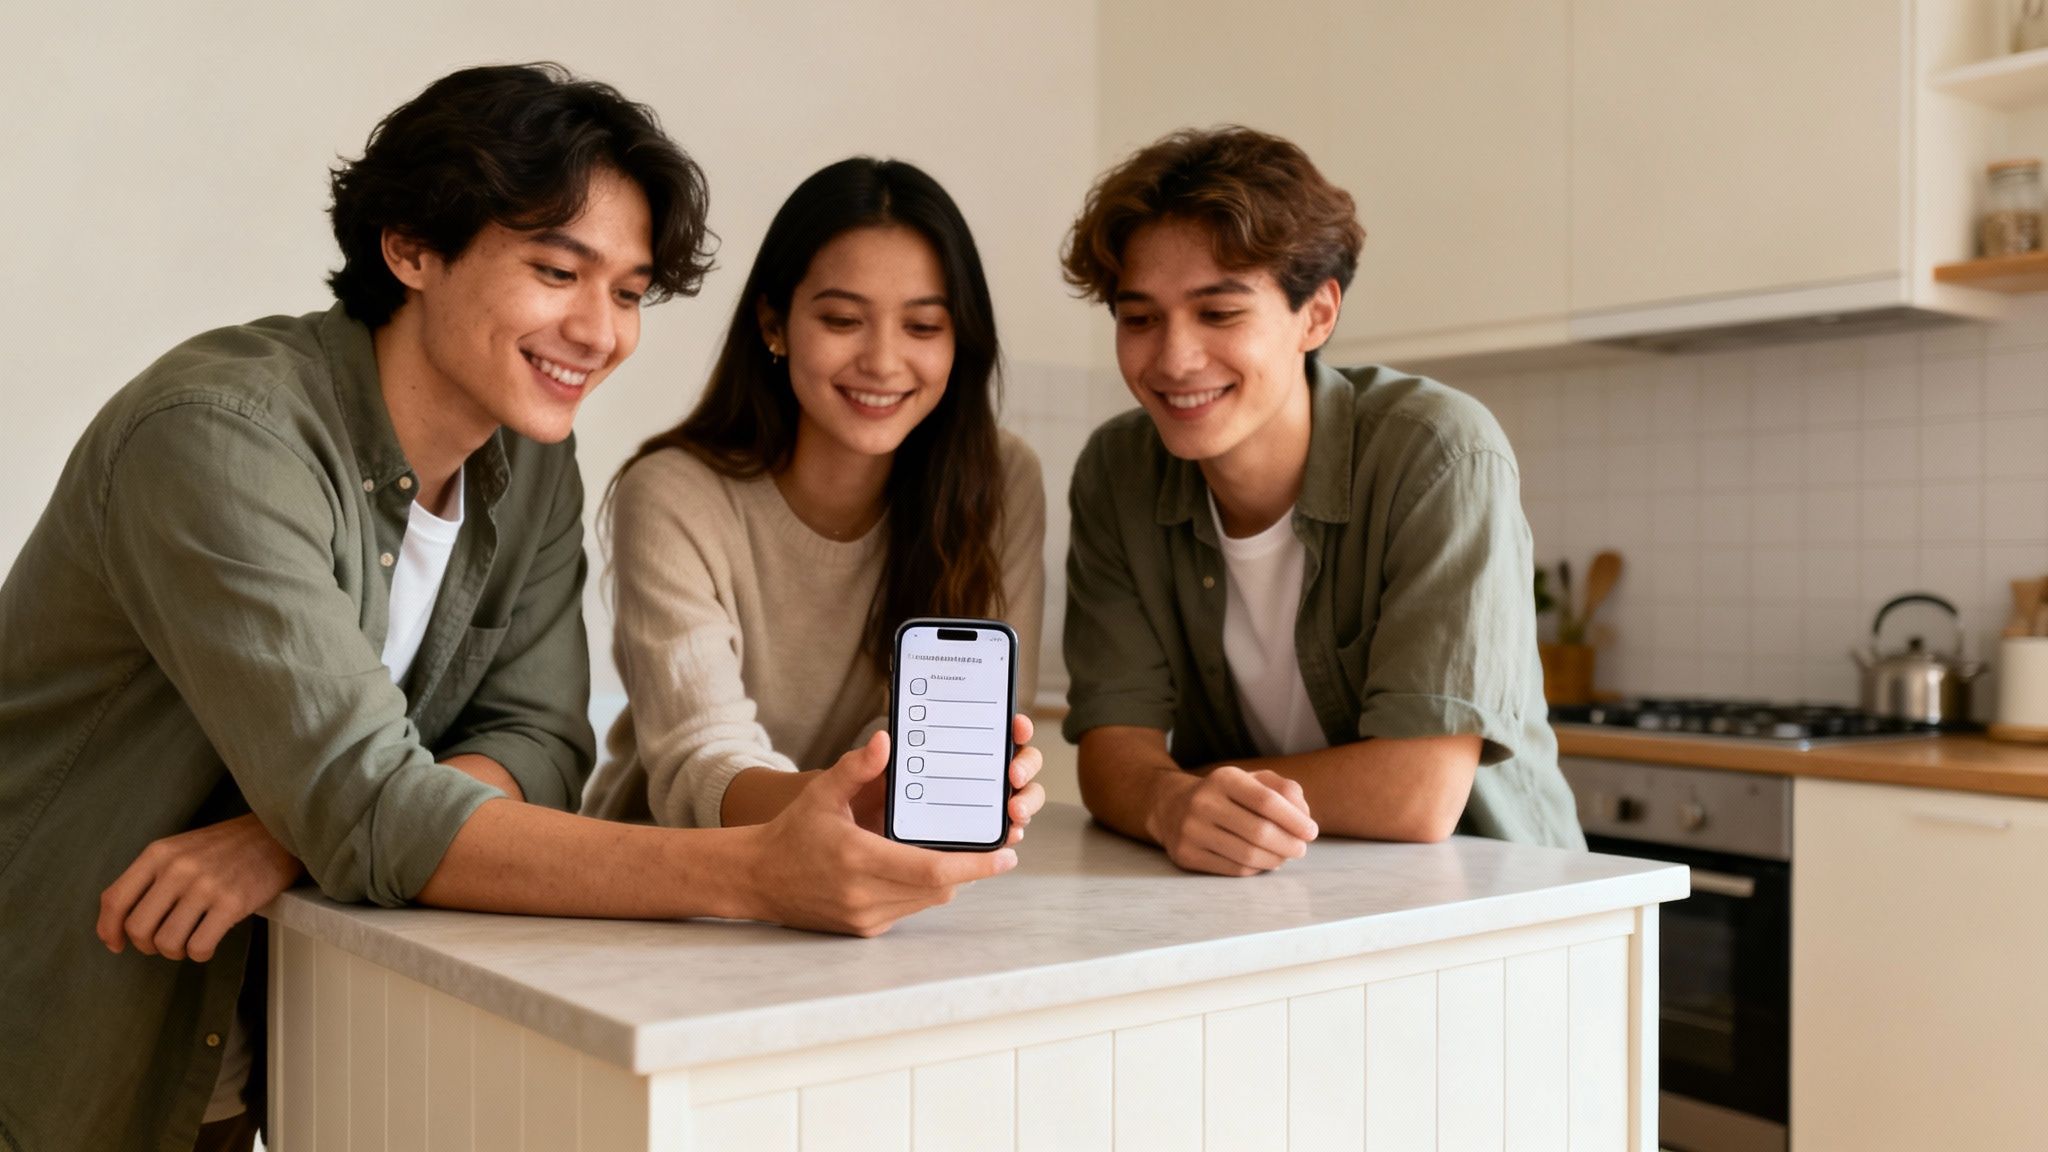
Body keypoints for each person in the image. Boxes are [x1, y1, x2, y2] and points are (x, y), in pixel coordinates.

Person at [0, 65, 1034, 1152]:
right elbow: (366, 807)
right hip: (61, 1018)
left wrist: (286, 834)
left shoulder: (530, 463)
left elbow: (540, 743)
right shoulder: (220, 438)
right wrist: (754, 872)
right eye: (556, 271)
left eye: (628, 292)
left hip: (242, 1036)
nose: (597, 330)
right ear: (411, 247)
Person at [1057, 126, 1583, 878]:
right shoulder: (1118, 471)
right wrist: (1162, 800)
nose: (1172, 359)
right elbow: (1110, 753)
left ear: (1318, 314)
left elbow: (1417, 794)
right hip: (1267, 901)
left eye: (1219, 313)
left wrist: (1173, 791)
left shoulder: (1438, 451)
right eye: (1139, 318)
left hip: (1491, 904)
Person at [582, 157, 1046, 837]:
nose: (884, 362)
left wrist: (936, 787)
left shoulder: (1000, 481)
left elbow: (968, 723)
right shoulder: (675, 494)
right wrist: (870, 802)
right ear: (775, 324)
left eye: (922, 327)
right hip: (674, 886)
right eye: (842, 320)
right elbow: (702, 757)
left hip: (881, 870)